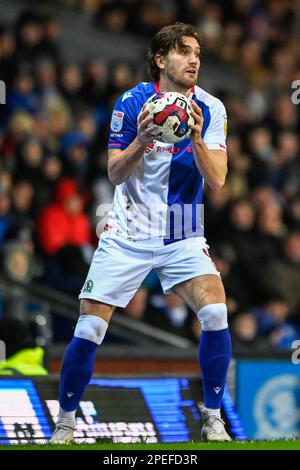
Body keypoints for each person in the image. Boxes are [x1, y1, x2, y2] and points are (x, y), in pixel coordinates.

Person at [50, 22, 231, 443]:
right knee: (89, 328)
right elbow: (114, 172)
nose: (194, 60)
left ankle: (213, 418)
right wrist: (144, 138)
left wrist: (198, 137)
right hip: (127, 233)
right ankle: (65, 421)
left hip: (182, 233)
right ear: (160, 58)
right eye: (184, 51)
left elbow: (219, 179)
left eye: (198, 53)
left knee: (216, 313)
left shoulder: (212, 107)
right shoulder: (131, 103)